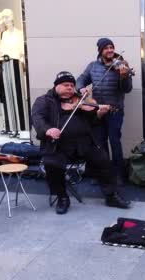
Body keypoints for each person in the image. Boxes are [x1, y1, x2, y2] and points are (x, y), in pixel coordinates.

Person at [32, 71, 131, 214]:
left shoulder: (81, 100)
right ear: (56, 86)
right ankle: (62, 197)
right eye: (66, 85)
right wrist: (48, 130)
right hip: (58, 146)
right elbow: (37, 118)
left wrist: (99, 113)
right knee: (51, 164)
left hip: (83, 143)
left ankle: (111, 196)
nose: (70, 88)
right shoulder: (44, 101)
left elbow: (93, 121)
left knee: (103, 159)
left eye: (72, 85)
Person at [76, 38, 133, 184]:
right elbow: (81, 79)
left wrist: (124, 76)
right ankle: (104, 174)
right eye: (106, 48)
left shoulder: (121, 65)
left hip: (115, 111)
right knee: (100, 143)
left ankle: (119, 174)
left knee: (115, 142)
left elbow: (126, 89)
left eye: (111, 47)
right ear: (100, 50)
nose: (110, 50)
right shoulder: (93, 66)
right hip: (98, 111)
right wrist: (81, 88)